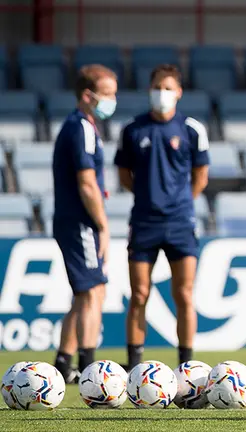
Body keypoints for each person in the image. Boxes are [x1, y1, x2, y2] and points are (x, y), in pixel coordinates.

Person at [115, 64, 209, 370]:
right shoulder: (132, 130)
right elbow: (124, 176)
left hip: (181, 222)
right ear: (149, 90)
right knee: (139, 294)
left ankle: (186, 366)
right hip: (144, 222)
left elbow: (201, 177)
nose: (162, 93)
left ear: (178, 92)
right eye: (157, 87)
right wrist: (149, 197)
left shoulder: (192, 129)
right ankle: (134, 366)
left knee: (184, 294)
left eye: (168, 88)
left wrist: (179, 202)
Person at [52, 64, 117, 382]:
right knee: (94, 291)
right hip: (80, 221)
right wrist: (102, 225)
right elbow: (87, 183)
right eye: (107, 94)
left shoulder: (82, 126)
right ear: (88, 95)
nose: (112, 101)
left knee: (83, 294)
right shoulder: (81, 128)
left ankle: (64, 364)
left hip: (73, 220)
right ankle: (90, 369)